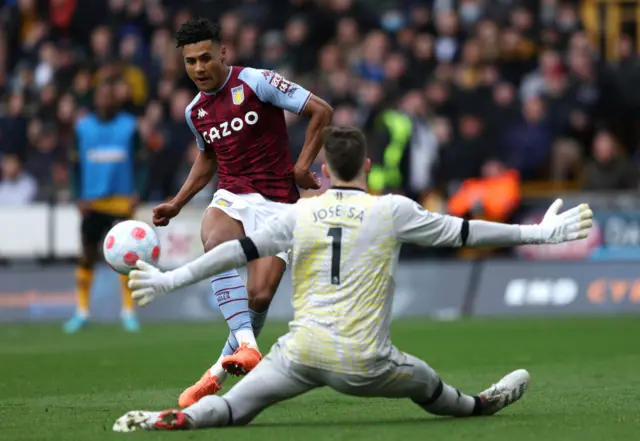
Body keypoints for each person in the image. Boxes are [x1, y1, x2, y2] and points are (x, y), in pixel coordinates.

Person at [113, 126, 593, 432]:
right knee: (429, 386)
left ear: (322, 171)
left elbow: (232, 253)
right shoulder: (392, 211)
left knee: (237, 409)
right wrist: (541, 234)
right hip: (366, 363)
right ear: (365, 166)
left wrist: (171, 280)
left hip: (299, 355)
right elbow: (465, 232)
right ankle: (477, 405)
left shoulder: (299, 213)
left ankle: (176, 419)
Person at [151, 17, 333, 407]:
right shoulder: (195, 111)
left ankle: (216, 371)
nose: (198, 68)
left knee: (260, 297)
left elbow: (322, 111)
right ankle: (249, 347)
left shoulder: (256, 81)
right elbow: (207, 159)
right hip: (232, 196)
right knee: (215, 241)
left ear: (223, 52)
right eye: (189, 62)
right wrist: (177, 202)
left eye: (204, 58)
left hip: (281, 205)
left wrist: (302, 166)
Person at [63, 81, 146, 334]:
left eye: (110, 95)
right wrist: (78, 196)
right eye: (102, 95)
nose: (106, 100)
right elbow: (74, 165)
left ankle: (128, 312)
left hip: (121, 202)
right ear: (95, 99)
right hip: (93, 202)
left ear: (116, 100)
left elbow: (143, 161)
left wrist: (138, 192)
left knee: (126, 258)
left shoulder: (129, 127)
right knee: (87, 254)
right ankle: (82, 311)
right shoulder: (83, 128)